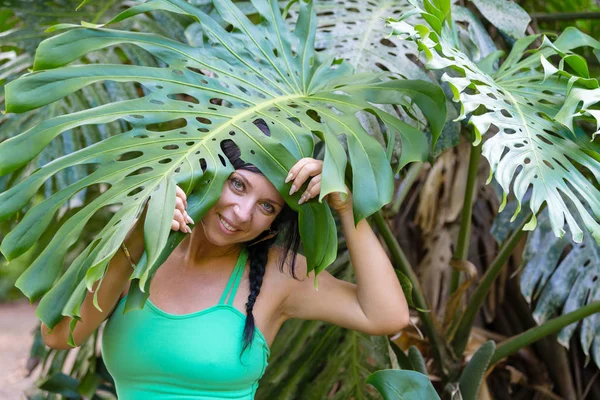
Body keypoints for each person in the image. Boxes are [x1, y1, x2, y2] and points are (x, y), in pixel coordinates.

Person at [41, 140, 410, 399]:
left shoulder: (279, 276)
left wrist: (345, 208)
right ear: (211, 176)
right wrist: (138, 236)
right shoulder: (140, 253)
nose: (242, 213)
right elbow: (59, 335)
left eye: (267, 206)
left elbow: (386, 315)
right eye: (237, 185)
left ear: (274, 223)